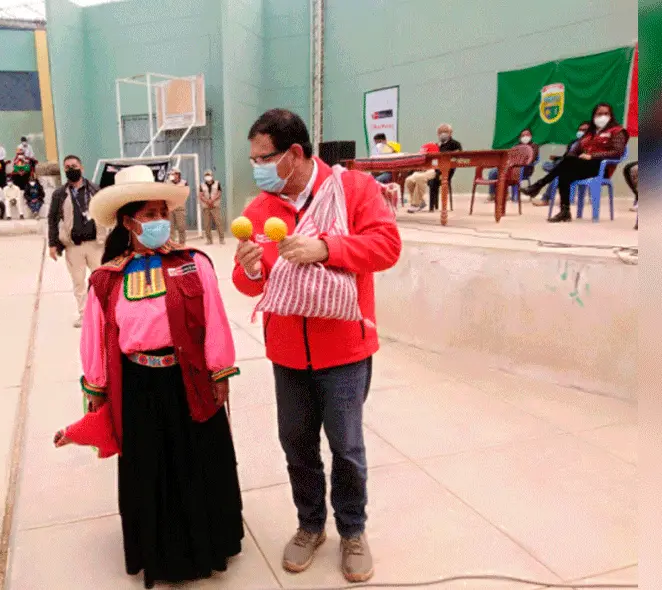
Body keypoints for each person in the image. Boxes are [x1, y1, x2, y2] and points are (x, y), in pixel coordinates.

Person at [53, 164, 243, 589]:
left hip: (188, 382)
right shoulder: (105, 280)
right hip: (137, 389)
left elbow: (215, 320)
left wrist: (220, 372)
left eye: (163, 211)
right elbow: (96, 343)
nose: (160, 220)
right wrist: (97, 394)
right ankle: (161, 554)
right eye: (150, 213)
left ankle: (207, 546)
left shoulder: (194, 265)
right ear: (128, 220)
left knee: (199, 464)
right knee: (150, 471)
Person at [233, 109, 401, 583]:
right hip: (287, 354)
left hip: (344, 351)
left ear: (294, 154)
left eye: (263, 158)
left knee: (346, 447)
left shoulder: (352, 191)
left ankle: (352, 530)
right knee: (296, 444)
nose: (257, 168)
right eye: (252, 160)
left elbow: (387, 247)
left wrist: (327, 248)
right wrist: (248, 268)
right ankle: (311, 525)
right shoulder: (260, 210)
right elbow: (249, 286)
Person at [521, 102, 629, 222]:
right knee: (564, 173)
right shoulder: (589, 134)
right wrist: (572, 155)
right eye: (599, 114)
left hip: (600, 168)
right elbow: (574, 150)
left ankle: (538, 185)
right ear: (594, 116)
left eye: (606, 113)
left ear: (611, 115)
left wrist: (592, 156)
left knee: (564, 165)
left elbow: (617, 152)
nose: (602, 116)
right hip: (582, 167)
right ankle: (565, 211)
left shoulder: (617, 131)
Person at [48, 155, 105, 328]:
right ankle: (84, 315)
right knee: (79, 282)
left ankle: (103, 313)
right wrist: (52, 244)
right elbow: (52, 219)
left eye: (74, 165)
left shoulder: (95, 189)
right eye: (67, 167)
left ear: (81, 168)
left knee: (101, 279)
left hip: (96, 244)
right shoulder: (60, 194)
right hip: (74, 246)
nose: (71, 169)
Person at [530, 121, 591, 206]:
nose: (581, 132)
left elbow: (586, 156)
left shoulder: (590, 143)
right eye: (580, 130)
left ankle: (545, 199)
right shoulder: (573, 142)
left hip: (579, 166)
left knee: (558, 173)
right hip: (567, 163)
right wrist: (557, 158)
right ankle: (555, 167)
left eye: (584, 130)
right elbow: (567, 155)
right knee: (547, 165)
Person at [420, 123, 463, 213]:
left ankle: (425, 205)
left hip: (446, 172)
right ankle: (420, 201)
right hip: (433, 169)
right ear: (438, 134)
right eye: (441, 132)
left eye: (445, 131)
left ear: (451, 133)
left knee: (430, 180)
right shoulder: (436, 145)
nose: (443, 133)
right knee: (412, 175)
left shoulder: (456, 144)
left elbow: (458, 158)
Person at [486, 128, 539, 200]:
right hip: (511, 167)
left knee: (511, 172)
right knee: (493, 172)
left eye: (527, 135)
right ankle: (493, 194)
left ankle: (513, 196)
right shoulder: (516, 146)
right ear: (520, 138)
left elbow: (532, 159)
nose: (525, 137)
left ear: (531, 136)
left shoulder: (534, 146)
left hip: (526, 169)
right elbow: (510, 158)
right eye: (523, 135)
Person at [403, 141, 441, 212]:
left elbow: (437, 166)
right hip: (422, 171)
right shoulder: (423, 153)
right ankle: (421, 202)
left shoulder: (436, 156)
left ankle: (415, 204)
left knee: (419, 178)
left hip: (433, 171)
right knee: (409, 180)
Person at [198, 169, 225, 245]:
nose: (208, 177)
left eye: (209, 175)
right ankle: (209, 240)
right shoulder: (202, 185)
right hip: (206, 207)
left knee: (218, 222)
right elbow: (200, 195)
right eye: (206, 175)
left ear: (212, 176)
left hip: (215, 206)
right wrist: (207, 201)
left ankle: (221, 239)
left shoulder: (217, 183)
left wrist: (212, 200)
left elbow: (219, 193)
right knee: (207, 224)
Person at [167, 168, 189, 243]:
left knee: (181, 227)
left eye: (173, 174)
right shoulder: (167, 182)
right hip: (170, 208)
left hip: (180, 208)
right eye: (171, 174)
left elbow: (186, 193)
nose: (172, 175)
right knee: (170, 228)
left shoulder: (184, 182)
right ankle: (172, 244)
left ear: (178, 175)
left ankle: (182, 244)